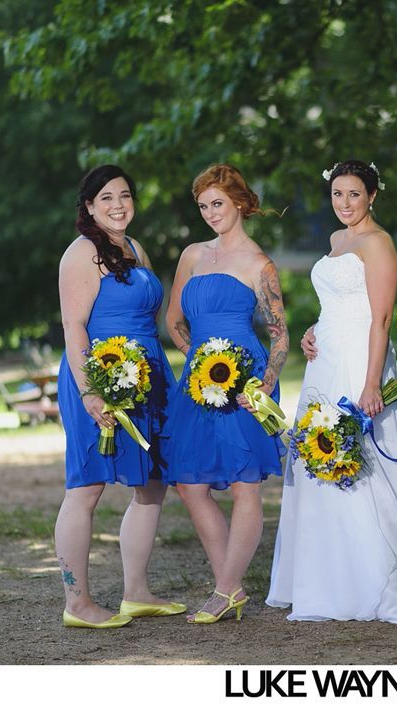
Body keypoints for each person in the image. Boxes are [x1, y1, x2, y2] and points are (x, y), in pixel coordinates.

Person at [266, 160, 397, 622]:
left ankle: (383, 578)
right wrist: (312, 330)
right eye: (337, 194)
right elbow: (338, 304)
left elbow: (378, 318)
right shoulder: (338, 240)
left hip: (362, 361)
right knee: (317, 452)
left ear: (372, 195)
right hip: (325, 362)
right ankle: (328, 577)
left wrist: (372, 381)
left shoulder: (380, 244)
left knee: (367, 456)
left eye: (354, 194)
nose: (344, 204)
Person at [55, 165, 183, 628]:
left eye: (125, 196)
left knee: (151, 483)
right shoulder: (83, 253)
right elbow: (74, 327)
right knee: (86, 486)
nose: (118, 205)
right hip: (99, 376)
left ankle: (136, 592)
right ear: (89, 206)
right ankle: (78, 603)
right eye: (106, 197)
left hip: (147, 375)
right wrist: (92, 392)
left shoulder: (134, 247)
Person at [164, 164, 287, 624]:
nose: (210, 213)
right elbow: (174, 321)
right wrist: (196, 360)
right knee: (190, 483)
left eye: (218, 203)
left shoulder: (260, 265)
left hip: (245, 381)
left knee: (244, 482)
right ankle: (230, 586)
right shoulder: (193, 255)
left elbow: (279, 337)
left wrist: (262, 386)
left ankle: (223, 590)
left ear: (239, 202)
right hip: (198, 383)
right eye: (203, 206)